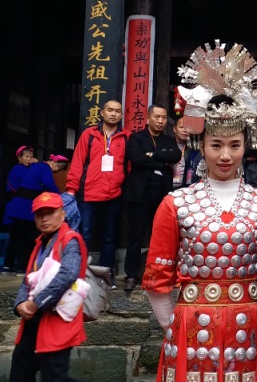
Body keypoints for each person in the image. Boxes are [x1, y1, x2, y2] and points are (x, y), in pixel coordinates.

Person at [141, 40, 257, 382]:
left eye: (234, 145)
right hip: (190, 327)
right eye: (216, 145)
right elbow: (157, 277)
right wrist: (174, 325)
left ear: (247, 146)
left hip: (250, 325)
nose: (225, 155)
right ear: (201, 145)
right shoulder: (176, 203)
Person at [9, 191, 128, 382]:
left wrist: (35, 303)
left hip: (56, 322)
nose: (44, 219)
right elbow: (27, 279)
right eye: (39, 215)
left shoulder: (70, 240)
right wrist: (19, 303)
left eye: (50, 213)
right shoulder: (40, 243)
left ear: (63, 214)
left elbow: (67, 275)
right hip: (32, 323)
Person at [65, 99, 129, 288]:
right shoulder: (89, 134)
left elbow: (129, 167)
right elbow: (77, 163)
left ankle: (105, 276)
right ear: (102, 113)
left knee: (109, 237)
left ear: (121, 115)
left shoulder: (126, 137)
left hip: (114, 194)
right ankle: (79, 274)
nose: (113, 114)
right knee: (84, 236)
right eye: (110, 110)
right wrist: (71, 189)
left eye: (117, 111)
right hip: (88, 194)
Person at [122, 104, 181, 292]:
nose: (160, 121)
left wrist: (153, 155)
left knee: (161, 236)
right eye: (157, 117)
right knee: (136, 236)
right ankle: (131, 275)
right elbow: (136, 159)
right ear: (148, 118)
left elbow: (175, 156)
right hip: (140, 194)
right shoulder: (137, 138)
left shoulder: (168, 140)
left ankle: (158, 275)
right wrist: (161, 160)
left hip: (162, 194)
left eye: (163, 117)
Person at [3, 146, 60, 274]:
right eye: (26, 156)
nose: (29, 159)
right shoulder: (19, 169)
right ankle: (21, 266)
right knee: (24, 237)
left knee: (16, 237)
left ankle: (10, 266)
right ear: (19, 158)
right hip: (20, 206)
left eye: (30, 156)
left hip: (18, 207)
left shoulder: (29, 168)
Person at [171, 116, 201, 190]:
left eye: (187, 128)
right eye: (181, 127)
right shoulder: (167, 144)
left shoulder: (193, 148)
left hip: (185, 186)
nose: (184, 130)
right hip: (167, 185)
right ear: (175, 129)